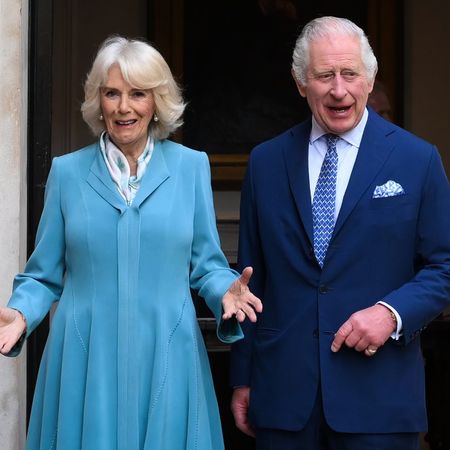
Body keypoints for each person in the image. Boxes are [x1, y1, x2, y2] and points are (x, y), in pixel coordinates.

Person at [0, 35, 262, 450]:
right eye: (112, 94)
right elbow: (42, 275)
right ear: (97, 101)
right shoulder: (67, 174)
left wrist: (223, 292)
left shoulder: (191, 167)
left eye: (137, 94)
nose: (124, 107)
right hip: (85, 356)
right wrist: (20, 312)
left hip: (168, 350)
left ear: (156, 101)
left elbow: (207, 264)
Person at [230, 16, 450, 450]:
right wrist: (243, 377)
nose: (338, 89)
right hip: (283, 400)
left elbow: (444, 266)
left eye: (350, 73)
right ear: (300, 82)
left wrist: (390, 314)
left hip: (380, 399)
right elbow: (249, 283)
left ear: (369, 79)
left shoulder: (417, 160)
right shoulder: (265, 163)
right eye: (324, 75)